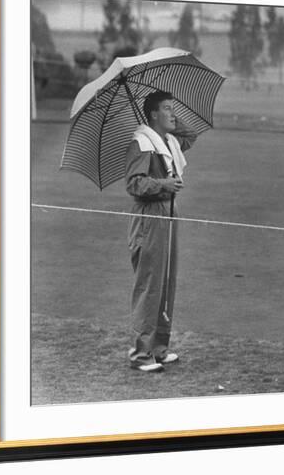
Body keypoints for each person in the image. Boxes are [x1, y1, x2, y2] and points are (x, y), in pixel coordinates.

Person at [124, 90, 198, 372]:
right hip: (150, 215)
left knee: (167, 280)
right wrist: (163, 185)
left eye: (173, 108)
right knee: (150, 282)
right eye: (167, 108)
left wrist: (171, 122)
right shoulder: (142, 143)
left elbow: (190, 136)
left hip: (169, 211)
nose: (173, 113)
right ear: (153, 113)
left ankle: (159, 347)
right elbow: (134, 185)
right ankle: (141, 355)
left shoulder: (167, 142)